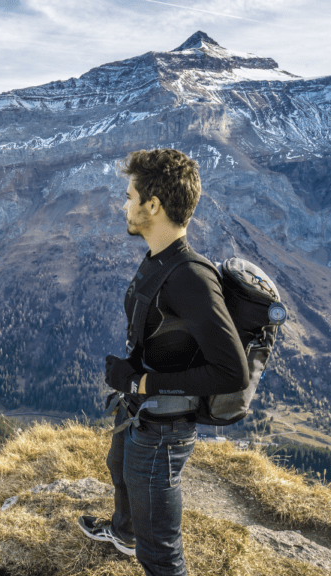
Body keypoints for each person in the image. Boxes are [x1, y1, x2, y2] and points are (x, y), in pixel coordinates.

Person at [78, 149, 249, 576]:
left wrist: (141, 384)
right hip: (143, 413)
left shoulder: (190, 277)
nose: (124, 204)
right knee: (118, 466)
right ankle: (124, 533)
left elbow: (232, 372)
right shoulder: (161, 259)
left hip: (163, 430)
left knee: (162, 555)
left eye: (129, 195)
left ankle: (143, 545)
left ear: (152, 205)